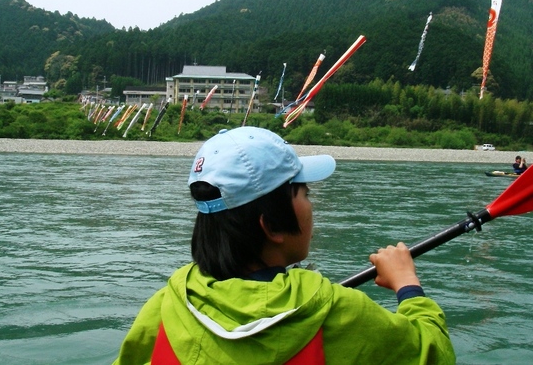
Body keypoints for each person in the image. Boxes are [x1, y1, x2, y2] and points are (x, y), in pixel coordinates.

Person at [113, 127, 455, 364]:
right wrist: (407, 285)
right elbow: (434, 354)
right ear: (272, 225)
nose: (311, 204)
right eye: (305, 193)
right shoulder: (334, 310)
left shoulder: (168, 302)